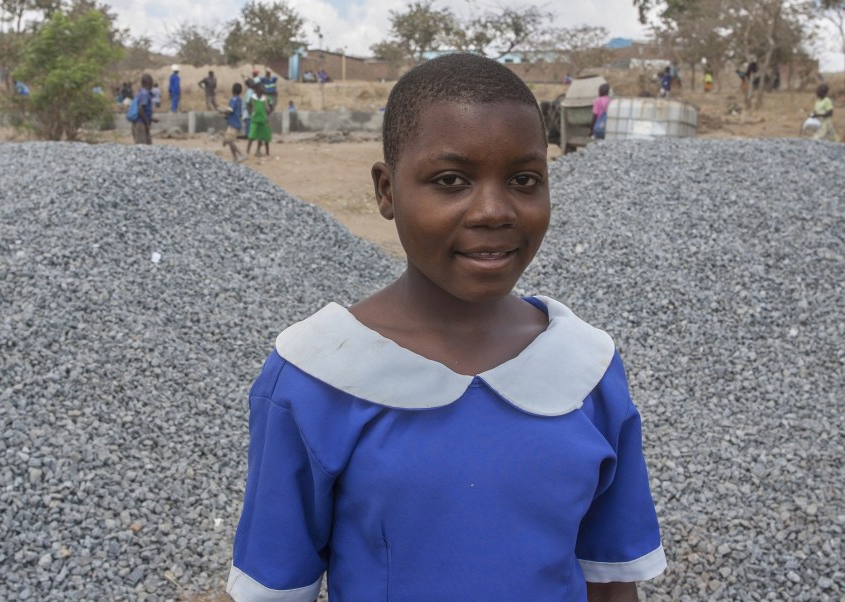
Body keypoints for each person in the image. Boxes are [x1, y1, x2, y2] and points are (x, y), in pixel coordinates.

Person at [227, 52, 666, 601]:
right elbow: (274, 589)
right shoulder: (316, 376)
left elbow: (610, 583)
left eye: (524, 179)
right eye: (451, 180)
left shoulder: (587, 368)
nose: (493, 211)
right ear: (387, 191)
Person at [245, 82, 273, 158]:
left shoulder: (266, 98)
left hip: (263, 120)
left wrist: (269, 111)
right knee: (251, 136)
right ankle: (247, 152)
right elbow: (248, 105)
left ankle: (266, 152)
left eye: (264, 87)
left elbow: (271, 107)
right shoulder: (253, 98)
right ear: (257, 89)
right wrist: (251, 112)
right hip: (255, 120)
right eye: (262, 87)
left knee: (265, 137)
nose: (264, 89)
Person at [223, 82, 247, 162]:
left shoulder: (233, 99)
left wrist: (223, 112)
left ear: (232, 90)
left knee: (229, 140)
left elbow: (230, 110)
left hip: (233, 123)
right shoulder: (240, 100)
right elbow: (239, 113)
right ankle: (235, 157)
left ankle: (241, 155)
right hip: (236, 122)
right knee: (230, 141)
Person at [131, 73, 155, 145]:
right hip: (141, 124)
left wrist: (151, 119)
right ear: (148, 82)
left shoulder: (141, 92)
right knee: (143, 147)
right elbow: (140, 109)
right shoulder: (145, 93)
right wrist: (146, 123)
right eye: (151, 82)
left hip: (141, 122)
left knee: (148, 145)